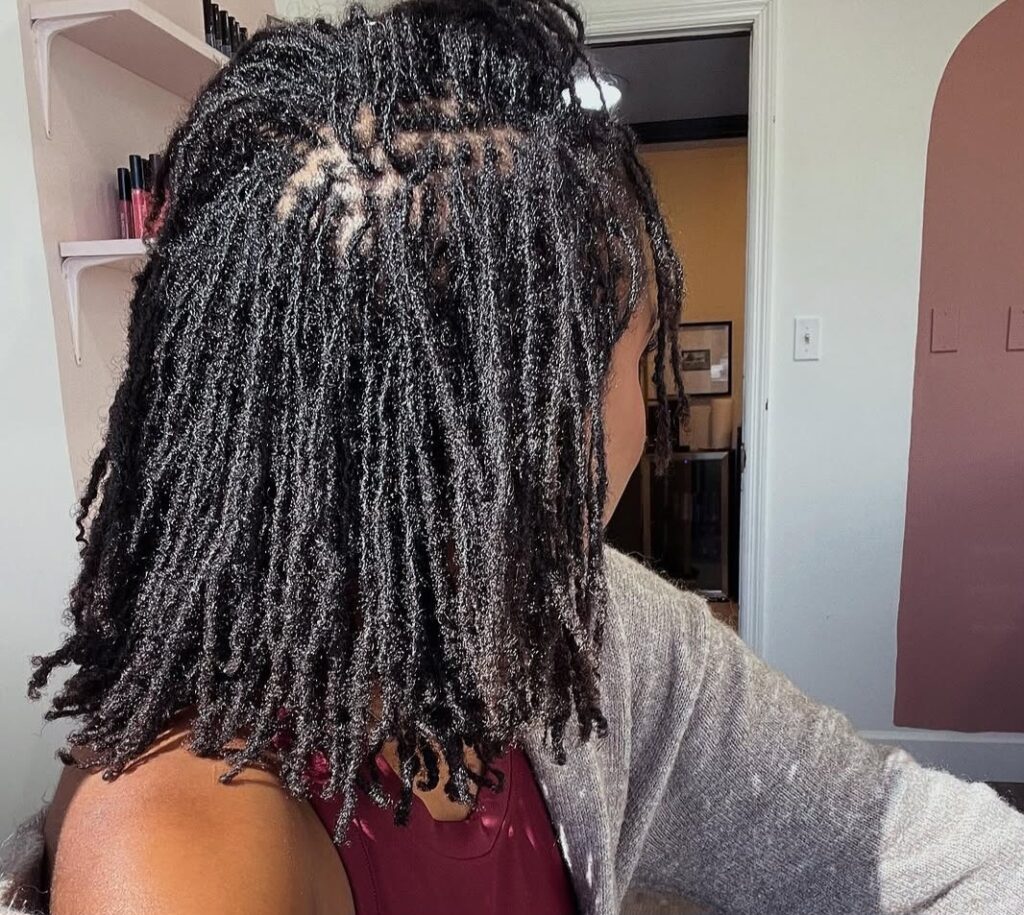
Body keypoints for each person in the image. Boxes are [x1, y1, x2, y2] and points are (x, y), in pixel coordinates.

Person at [14, 2, 1024, 913]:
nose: (647, 410)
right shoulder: (177, 845)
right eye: (642, 360)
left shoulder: (597, 626)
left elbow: (896, 837)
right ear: (536, 420)